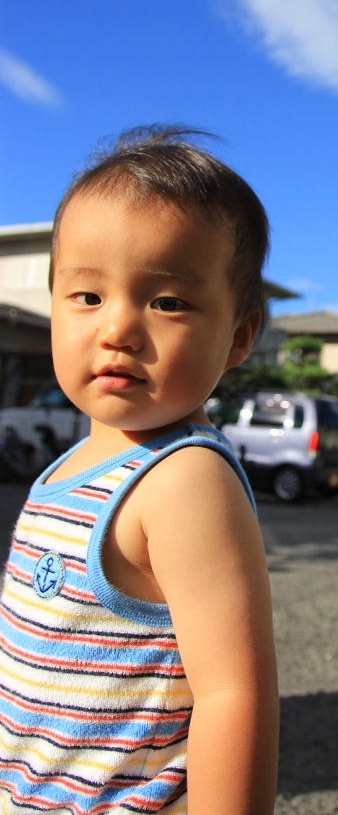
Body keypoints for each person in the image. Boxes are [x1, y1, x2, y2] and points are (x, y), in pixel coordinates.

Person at [0, 127, 280, 814]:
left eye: (168, 302)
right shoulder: (72, 464)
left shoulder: (183, 479)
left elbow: (233, 692)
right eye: (88, 297)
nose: (118, 328)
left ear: (239, 335)